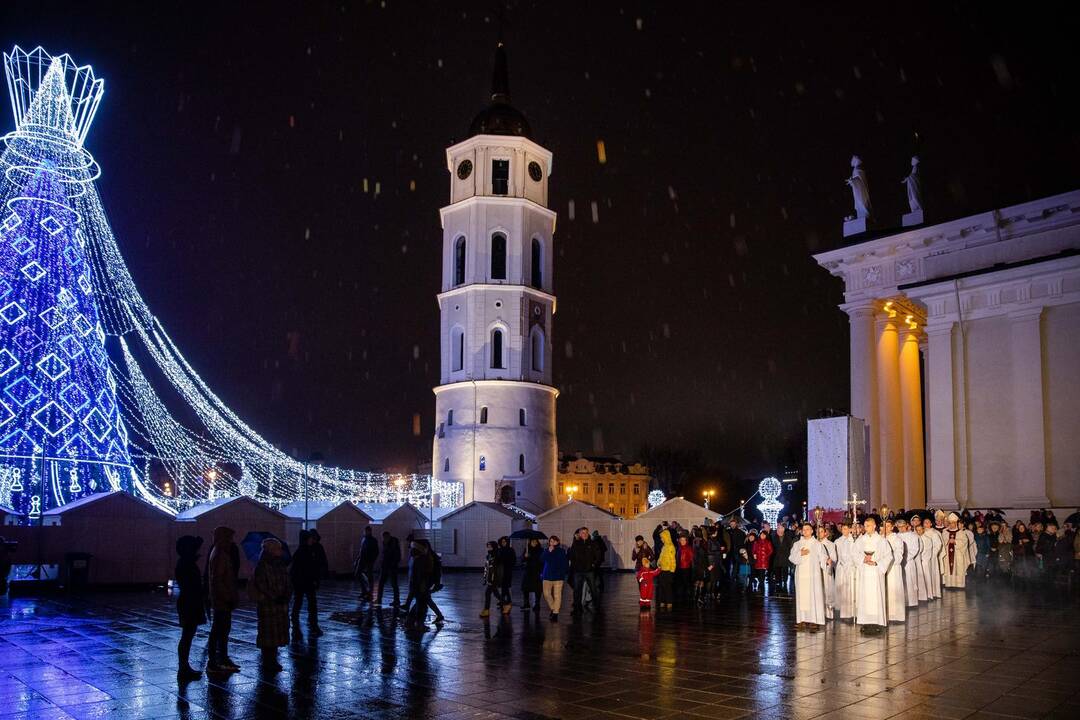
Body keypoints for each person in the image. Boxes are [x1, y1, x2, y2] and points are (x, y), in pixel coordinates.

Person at [250, 538, 291, 672]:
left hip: (279, 605)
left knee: (275, 633)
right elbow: (262, 585)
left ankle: (272, 659)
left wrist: (286, 594)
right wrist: (276, 596)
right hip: (268, 605)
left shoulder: (280, 564)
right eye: (278, 549)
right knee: (268, 634)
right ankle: (268, 660)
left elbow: (287, 581)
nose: (280, 551)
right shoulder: (262, 566)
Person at [206, 526, 240, 673]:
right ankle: (217, 660)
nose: (232, 541)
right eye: (230, 538)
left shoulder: (219, 552)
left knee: (220, 629)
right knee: (220, 629)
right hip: (222, 599)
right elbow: (218, 579)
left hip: (221, 597)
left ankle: (220, 658)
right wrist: (228, 596)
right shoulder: (220, 554)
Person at [853, 516, 893, 634]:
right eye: (865, 526)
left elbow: (888, 556)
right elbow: (854, 553)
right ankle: (865, 622)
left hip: (876, 571)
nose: (866, 528)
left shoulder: (881, 540)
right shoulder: (860, 540)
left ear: (874, 526)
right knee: (865, 596)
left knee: (876, 596)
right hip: (865, 571)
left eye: (868, 526)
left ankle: (877, 622)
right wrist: (863, 559)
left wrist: (876, 561)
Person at [175, 536, 206, 682]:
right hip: (190, 603)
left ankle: (184, 666)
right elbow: (191, 585)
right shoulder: (187, 564)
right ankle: (183, 667)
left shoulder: (184, 563)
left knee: (187, 635)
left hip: (188, 602)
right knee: (187, 635)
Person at [789, 522, 827, 631]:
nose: (805, 531)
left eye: (807, 529)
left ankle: (814, 621)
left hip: (813, 576)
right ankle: (802, 620)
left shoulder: (817, 544)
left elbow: (823, 556)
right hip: (801, 575)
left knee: (813, 596)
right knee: (802, 597)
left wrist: (826, 561)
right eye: (804, 529)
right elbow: (791, 558)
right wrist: (800, 553)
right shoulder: (797, 544)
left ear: (812, 531)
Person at [290, 529, 326, 636]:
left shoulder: (300, 551)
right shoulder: (308, 552)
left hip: (301, 582)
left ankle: (295, 620)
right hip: (307, 581)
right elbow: (311, 567)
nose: (312, 540)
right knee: (310, 604)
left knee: (299, 602)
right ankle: (313, 624)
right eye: (310, 538)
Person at [568, 527, 601, 616]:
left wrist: (594, 564)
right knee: (577, 590)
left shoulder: (593, 543)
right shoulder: (575, 544)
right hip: (578, 571)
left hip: (589, 571)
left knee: (593, 590)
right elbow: (571, 556)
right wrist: (574, 566)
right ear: (579, 534)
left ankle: (597, 608)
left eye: (586, 532)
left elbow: (598, 555)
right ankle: (577, 609)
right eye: (583, 532)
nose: (585, 534)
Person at [405, 538, 434, 630]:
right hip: (420, 586)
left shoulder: (413, 558)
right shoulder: (420, 560)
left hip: (414, 585)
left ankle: (409, 621)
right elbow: (421, 574)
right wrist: (423, 585)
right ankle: (419, 624)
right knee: (422, 606)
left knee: (419, 604)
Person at [941, 512, 974, 589]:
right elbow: (942, 542)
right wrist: (947, 541)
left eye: (953, 523)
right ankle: (949, 584)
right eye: (950, 523)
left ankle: (959, 585)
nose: (952, 524)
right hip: (948, 555)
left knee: (958, 567)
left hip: (958, 555)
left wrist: (955, 541)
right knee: (948, 568)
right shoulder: (945, 532)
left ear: (956, 523)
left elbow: (965, 542)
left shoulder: (961, 532)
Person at [540, 535, 568, 621]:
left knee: (557, 595)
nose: (552, 543)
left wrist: (564, 573)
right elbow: (541, 559)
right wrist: (548, 552)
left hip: (558, 576)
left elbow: (564, 563)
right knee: (546, 594)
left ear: (557, 542)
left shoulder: (561, 551)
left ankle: (555, 613)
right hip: (547, 576)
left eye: (554, 541)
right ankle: (553, 608)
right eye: (551, 541)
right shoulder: (546, 550)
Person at [883, 519, 906, 623]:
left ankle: (895, 616)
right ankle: (884, 614)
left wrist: (889, 559)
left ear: (892, 527)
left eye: (888, 526)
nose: (886, 528)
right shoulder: (880, 538)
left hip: (893, 568)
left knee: (893, 590)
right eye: (884, 526)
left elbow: (899, 553)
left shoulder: (897, 539)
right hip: (882, 568)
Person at [835, 522, 857, 620]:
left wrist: (850, 563)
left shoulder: (853, 540)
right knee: (842, 588)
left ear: (849, 529)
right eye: (842, 529)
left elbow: (854, 554)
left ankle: (852, 612)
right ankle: (843, 611)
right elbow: (836, 555)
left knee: (850, 589)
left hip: (851, 567)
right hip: (841, 567)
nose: (844, 531)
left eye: (846, 529)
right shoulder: (838, 541)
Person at [898, 518, 921, 606]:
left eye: (902, 526)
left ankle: (911, 602)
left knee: (909, 580)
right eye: (899, 527)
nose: (901, 529)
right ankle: (903, 602)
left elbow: (915, 549)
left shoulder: (913, 536)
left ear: (906, 526)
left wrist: (905, 558)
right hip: (899, 562)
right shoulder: (896, 536)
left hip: (908, 562)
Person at [376, 530, 401, 607]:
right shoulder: (389, 543)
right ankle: (395, 600)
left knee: (388, 584)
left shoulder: (391, 544)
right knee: (392, 584)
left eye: (384, 538)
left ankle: (380, 599)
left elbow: (393, 555)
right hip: (388, 566)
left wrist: (391, 564)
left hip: (389, 566)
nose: (383, 539)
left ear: (387, 537)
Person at [480, 541, 504, 618]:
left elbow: (498, 569)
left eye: (490, 546)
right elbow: (486, 568)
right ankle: (506, 603)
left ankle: (486, 610)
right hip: (490, 578)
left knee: (488, 593)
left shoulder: (497, 555)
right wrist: (485, 578)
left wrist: (495, 579)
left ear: (494, 546)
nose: (489, 548)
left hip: (494, 578)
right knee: (495, 593)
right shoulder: (488, 556)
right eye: (488, 546)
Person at [769, 523, 794, 593]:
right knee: (777, 572)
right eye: (778, 528)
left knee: (785, 571)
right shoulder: (773, 537)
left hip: (785, 557)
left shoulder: (788, 537)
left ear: (783, 529)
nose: (780, 529)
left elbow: (790, 547)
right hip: (776, 557)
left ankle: (785, 584)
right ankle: (778, 584)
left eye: (781, 528)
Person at [656, 526, 676, 610]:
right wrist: (658, 563)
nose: (661, 539)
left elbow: (673, 559)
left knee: (668, 587)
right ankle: (662, 601)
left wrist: (672, 570)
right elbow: (661, 557)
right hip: (662, 569)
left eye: (662, 538)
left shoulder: (671, 547)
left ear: (666, 537)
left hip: (668, 570)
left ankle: (669, 602)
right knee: (662, 586)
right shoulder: (664, 547)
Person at [356, 525, 378, 602]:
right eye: (365, 531)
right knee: (360, 574)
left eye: (366, 531)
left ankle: (367, 592)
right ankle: (366, 591)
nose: (365, 532)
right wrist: (358, 558)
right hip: (363, 560)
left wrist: (371, 560)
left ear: (369, 531)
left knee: (367, 576)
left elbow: (375, 551)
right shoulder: (365, 539)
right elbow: (361, 550)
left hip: (368, 561)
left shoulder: (370, 540)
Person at [922, 517, 943, 599]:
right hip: (923, 557)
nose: (926, 524)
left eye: (928, 522)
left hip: (931, 558)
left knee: (932, 574)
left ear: (931, 524)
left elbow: (938, 545)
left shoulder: (934, 533)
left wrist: (932, 554)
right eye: (925, 522)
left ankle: (934, 592)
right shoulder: (921, 532)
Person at [521, 538, 544, 611]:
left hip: (537, 571)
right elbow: (522, 560)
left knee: (537, 589)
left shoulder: (540, 550)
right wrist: (525, 556)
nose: (534, 543)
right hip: (528, 571)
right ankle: (526, 604)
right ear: (530, 542)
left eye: (535, 541)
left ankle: (537, 604)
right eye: (532, 541)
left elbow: (542, 560)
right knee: (525, 588)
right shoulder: (527, 549)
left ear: (537, 542)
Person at [496, 536, 516, 614]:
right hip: (501, 570)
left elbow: (513, 560)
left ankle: (505, 600)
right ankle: (504, 600)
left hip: (507, 570)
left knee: (505, 585)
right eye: (502, 542)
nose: (503, 543)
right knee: (504, 586)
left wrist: (509, 564)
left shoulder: (511, 550)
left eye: (505, 542)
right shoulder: (499, 550)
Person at [750, 528, 773, 593]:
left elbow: (771, 550)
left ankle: (761, 585)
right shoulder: (756, 542)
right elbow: (754, 550)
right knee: (759, 572)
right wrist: (754, 554)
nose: (762, 536)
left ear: (766, 536)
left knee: (762, 573)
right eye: (761, 534)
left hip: (764, 560)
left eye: (764, 535)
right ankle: (760, 583)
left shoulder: (768, 542)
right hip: (758, 559)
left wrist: (766, 555)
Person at [674, 534, 694, 604]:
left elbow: (692, 558)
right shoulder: (678, 548)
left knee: (686, 582)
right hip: (679, 567)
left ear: (686, 541)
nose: (682, 541)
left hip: (686, 568)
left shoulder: (688, 548)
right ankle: (680, 596)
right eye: (681, 540)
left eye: (683, 540)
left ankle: (688, 597)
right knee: (680, 582)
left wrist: (691, 567)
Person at [725, 518, 745, 587]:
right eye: (731, 524)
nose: (732, 525)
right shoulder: (727, 531)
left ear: (736, 524)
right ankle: (729, 577)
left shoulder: (740, 532)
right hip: (729, 551)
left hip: (736, 551)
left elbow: (742, 543)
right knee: (728, 565)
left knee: (736, 565)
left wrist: (740, 550)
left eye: (733, 524)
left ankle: (733, 578)